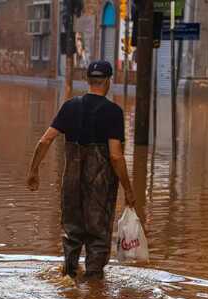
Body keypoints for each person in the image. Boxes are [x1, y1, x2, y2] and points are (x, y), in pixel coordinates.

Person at [26, 60, 135, 280]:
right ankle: (94, 293)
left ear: (87, 80)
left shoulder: (69, 107)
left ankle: (69, 279)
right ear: (107, 81)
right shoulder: (113, 112)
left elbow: (45, 140)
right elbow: (115, 155)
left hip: (71, 184)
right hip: (100, 187)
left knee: (72, 233)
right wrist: (128, 189)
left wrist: (33, 171)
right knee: (97, 236)